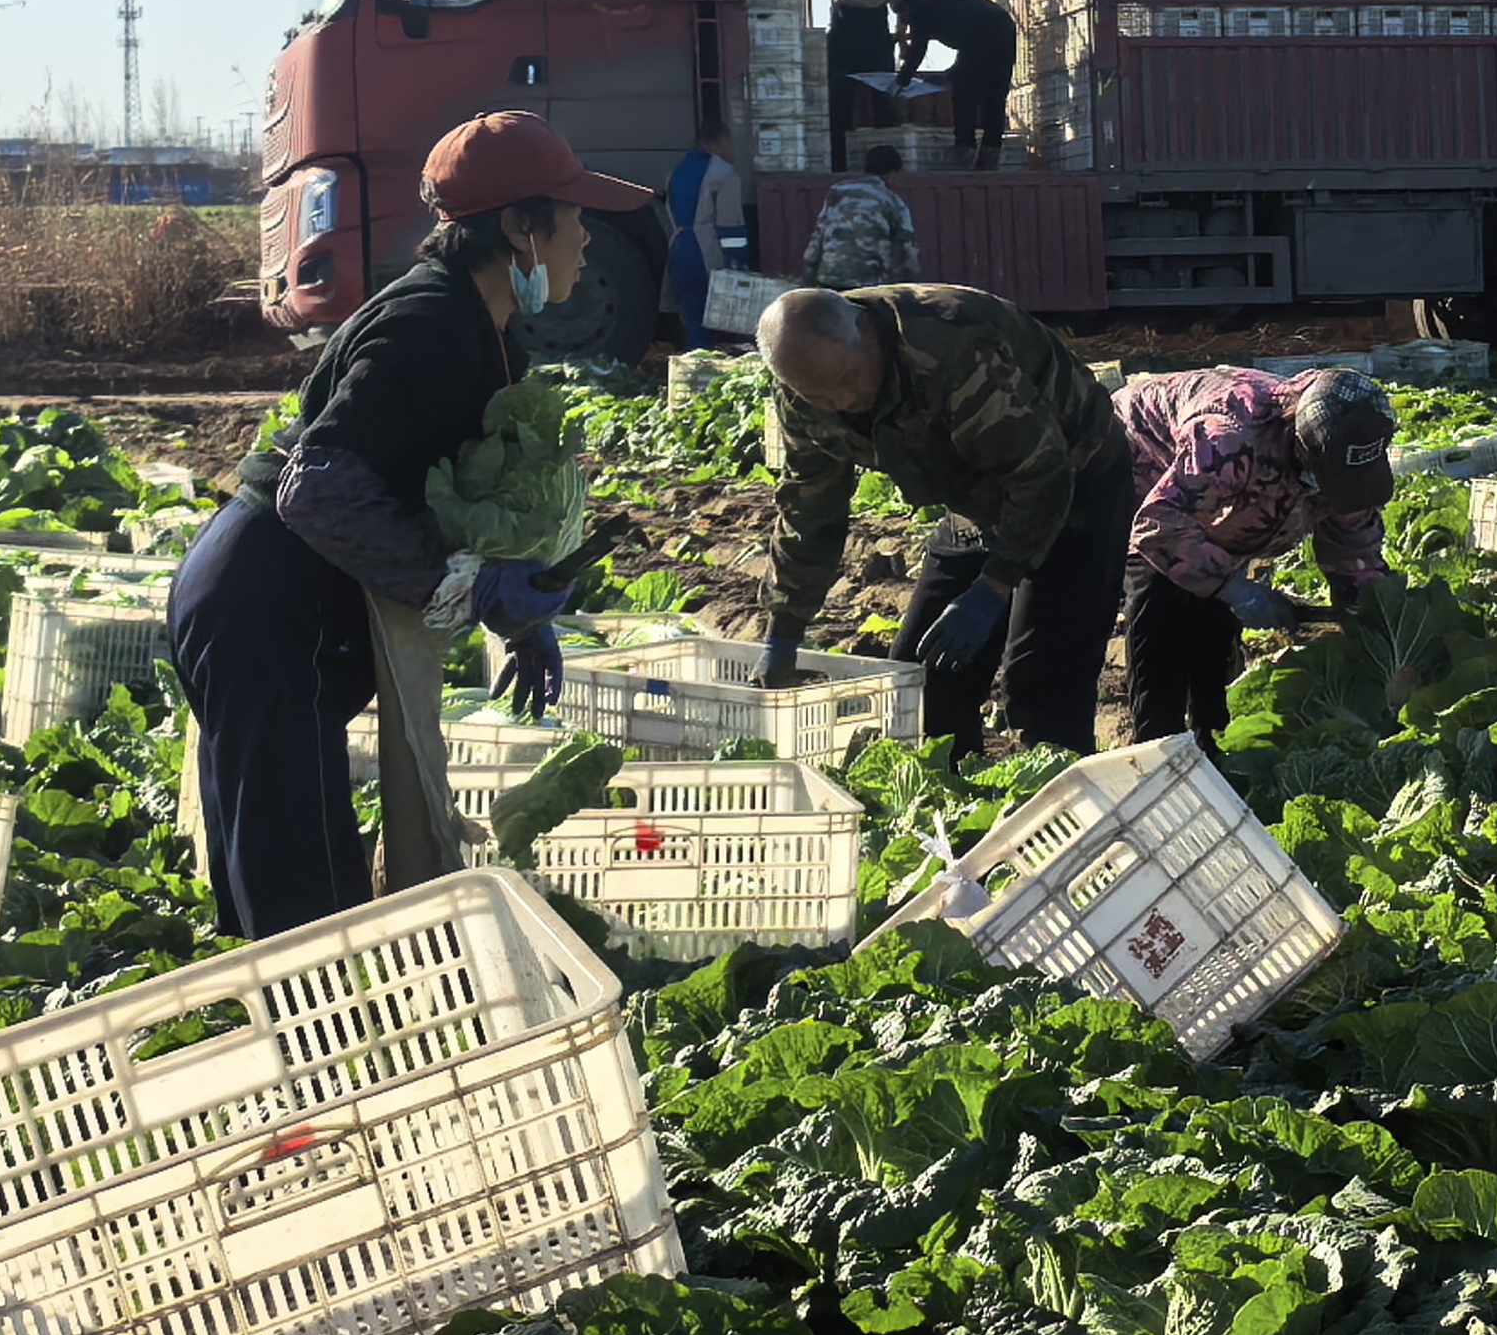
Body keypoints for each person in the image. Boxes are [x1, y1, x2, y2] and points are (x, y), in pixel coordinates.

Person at [165, 112, 647, 938]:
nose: (587, 240)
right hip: (268, 606)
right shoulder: (427, 326)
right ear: (520, 227)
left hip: (278, 599)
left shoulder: (485, 328)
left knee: (287, 880)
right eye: (574, 218)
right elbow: (317, 490)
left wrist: (514, 607)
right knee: (305, 913)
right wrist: (466, 584)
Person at [754, 282, 1131, 761]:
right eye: (822, 396)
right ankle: (955, 797)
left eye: (849, 378)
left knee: (1041, 685)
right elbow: (809, 509)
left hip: (1076, 476)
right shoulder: (804, 390)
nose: (844, 400)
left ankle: (1071, 797)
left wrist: (993, 586)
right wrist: (784, 629)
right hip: (970, 487)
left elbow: (1040, 477)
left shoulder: (953, 350)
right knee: (920, 680)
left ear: (866, 332)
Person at [1117, 364, 1394, 746]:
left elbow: (1354, 541)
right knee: (1162, 599)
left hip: (1215, 492)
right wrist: (1236, 590)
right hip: (1136, 461)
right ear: (1304, 448)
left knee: (1212, 619)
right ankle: (1157, 748)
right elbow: (1158, 527)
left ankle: (1212, 741)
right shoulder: (1228, 440)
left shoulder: (1346, 453)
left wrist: (1367, 607)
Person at [796, 0, 951, 166]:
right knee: (839, 105)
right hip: (843, 34)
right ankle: (838, 165)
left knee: (886, 103)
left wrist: (902, 36)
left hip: (877, 36)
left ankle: (888, 165)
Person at [894, 0, 1021, 167]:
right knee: (994, 95)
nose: (904, 21)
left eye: (900, 14)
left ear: (905, 6)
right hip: (1003, 27)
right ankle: (991, 151)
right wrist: (949, 75)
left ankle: (965, 148)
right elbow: (969, 54)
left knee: (964, 94)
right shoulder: (939, 0)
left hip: (984, 33)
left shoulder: (920, 10)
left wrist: (902, 80)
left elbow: (917, 51)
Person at [660, 120, 745, 341]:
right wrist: (738, 262)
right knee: (715, 325)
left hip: (679, 249)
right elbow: (730, 224)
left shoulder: (676, 172)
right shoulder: (724, 174)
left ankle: (694, 356)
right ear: (722, 141)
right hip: (707, 252)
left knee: (693, 318)